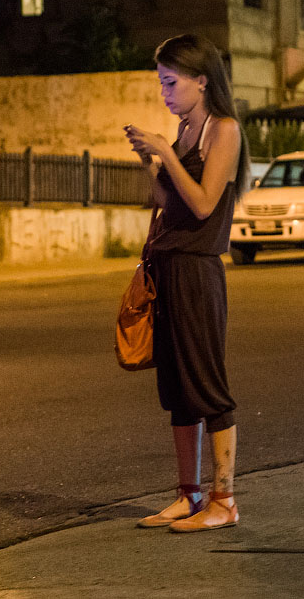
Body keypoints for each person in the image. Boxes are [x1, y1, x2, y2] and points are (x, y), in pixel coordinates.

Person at [124, 34, 251, 533]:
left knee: (206, 384)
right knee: (176, 388)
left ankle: (225, 499)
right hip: (167, 267)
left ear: (202, 80)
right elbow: (166, 199)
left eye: (172, 82)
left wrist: (166, 152)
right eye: (161, 83)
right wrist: (149, 159)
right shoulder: (182, 133)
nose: (165, 93)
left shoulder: (224, 130)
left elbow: (202, 204)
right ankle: (188, 494)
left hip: (199, 270)